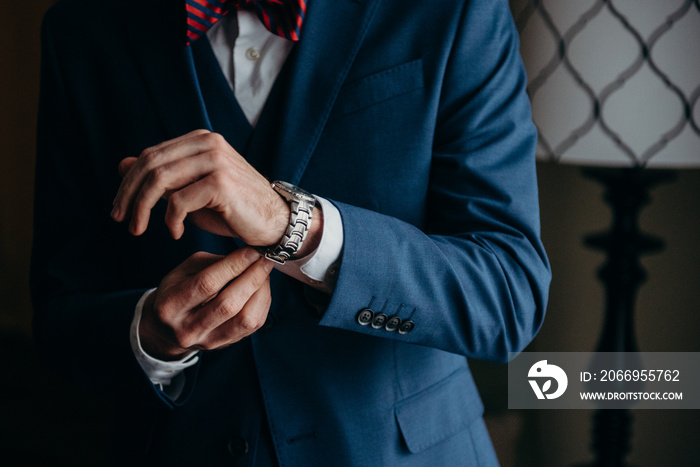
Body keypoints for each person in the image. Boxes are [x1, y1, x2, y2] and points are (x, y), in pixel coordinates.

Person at [31, 0, 551, 465]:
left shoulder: (457, 11)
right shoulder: (82, 28)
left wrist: (292, 225)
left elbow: (508, 295)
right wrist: (152, 337)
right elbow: (60, 312)